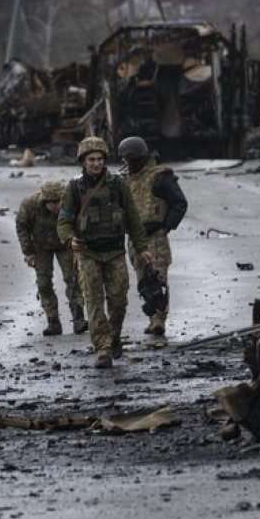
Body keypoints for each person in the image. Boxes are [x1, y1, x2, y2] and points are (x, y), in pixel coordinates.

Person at [57, 136, 152, 369]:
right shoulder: (74, 187)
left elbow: (132, 218)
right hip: (88, 254)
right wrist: (70, 239)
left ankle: (114, 335)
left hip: (115, 252)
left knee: (119, 301)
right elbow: (64, 221)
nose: (96, 164)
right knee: (94, 303)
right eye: (91, 159)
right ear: (83, 161)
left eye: (100, 159)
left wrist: (142, 248)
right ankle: (102, 348)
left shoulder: (118, 185)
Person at [118, 136, 188, 336]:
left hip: (155, 237)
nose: (127, 164)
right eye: (124, 160)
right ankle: (153, 319)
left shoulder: (159, 177)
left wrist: (166, 226)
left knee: (157, 279)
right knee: (143, 282)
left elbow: (179, 203)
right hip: (135, 238)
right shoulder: (125, 179)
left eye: (130, 160)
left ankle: (159, 320)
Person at [16, 180, 87, 336]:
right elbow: (22, 227)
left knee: (73, 279)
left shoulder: (71, 202)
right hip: (40, 247)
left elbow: (81, 222)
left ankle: (78, 318)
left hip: (66, 244)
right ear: (45, 201)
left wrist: (78, 244)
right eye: (52, 203)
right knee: (43, 283)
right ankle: (53, 321)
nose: (56, 206)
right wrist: (28, 252)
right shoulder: (30, 205)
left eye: (58, 202)